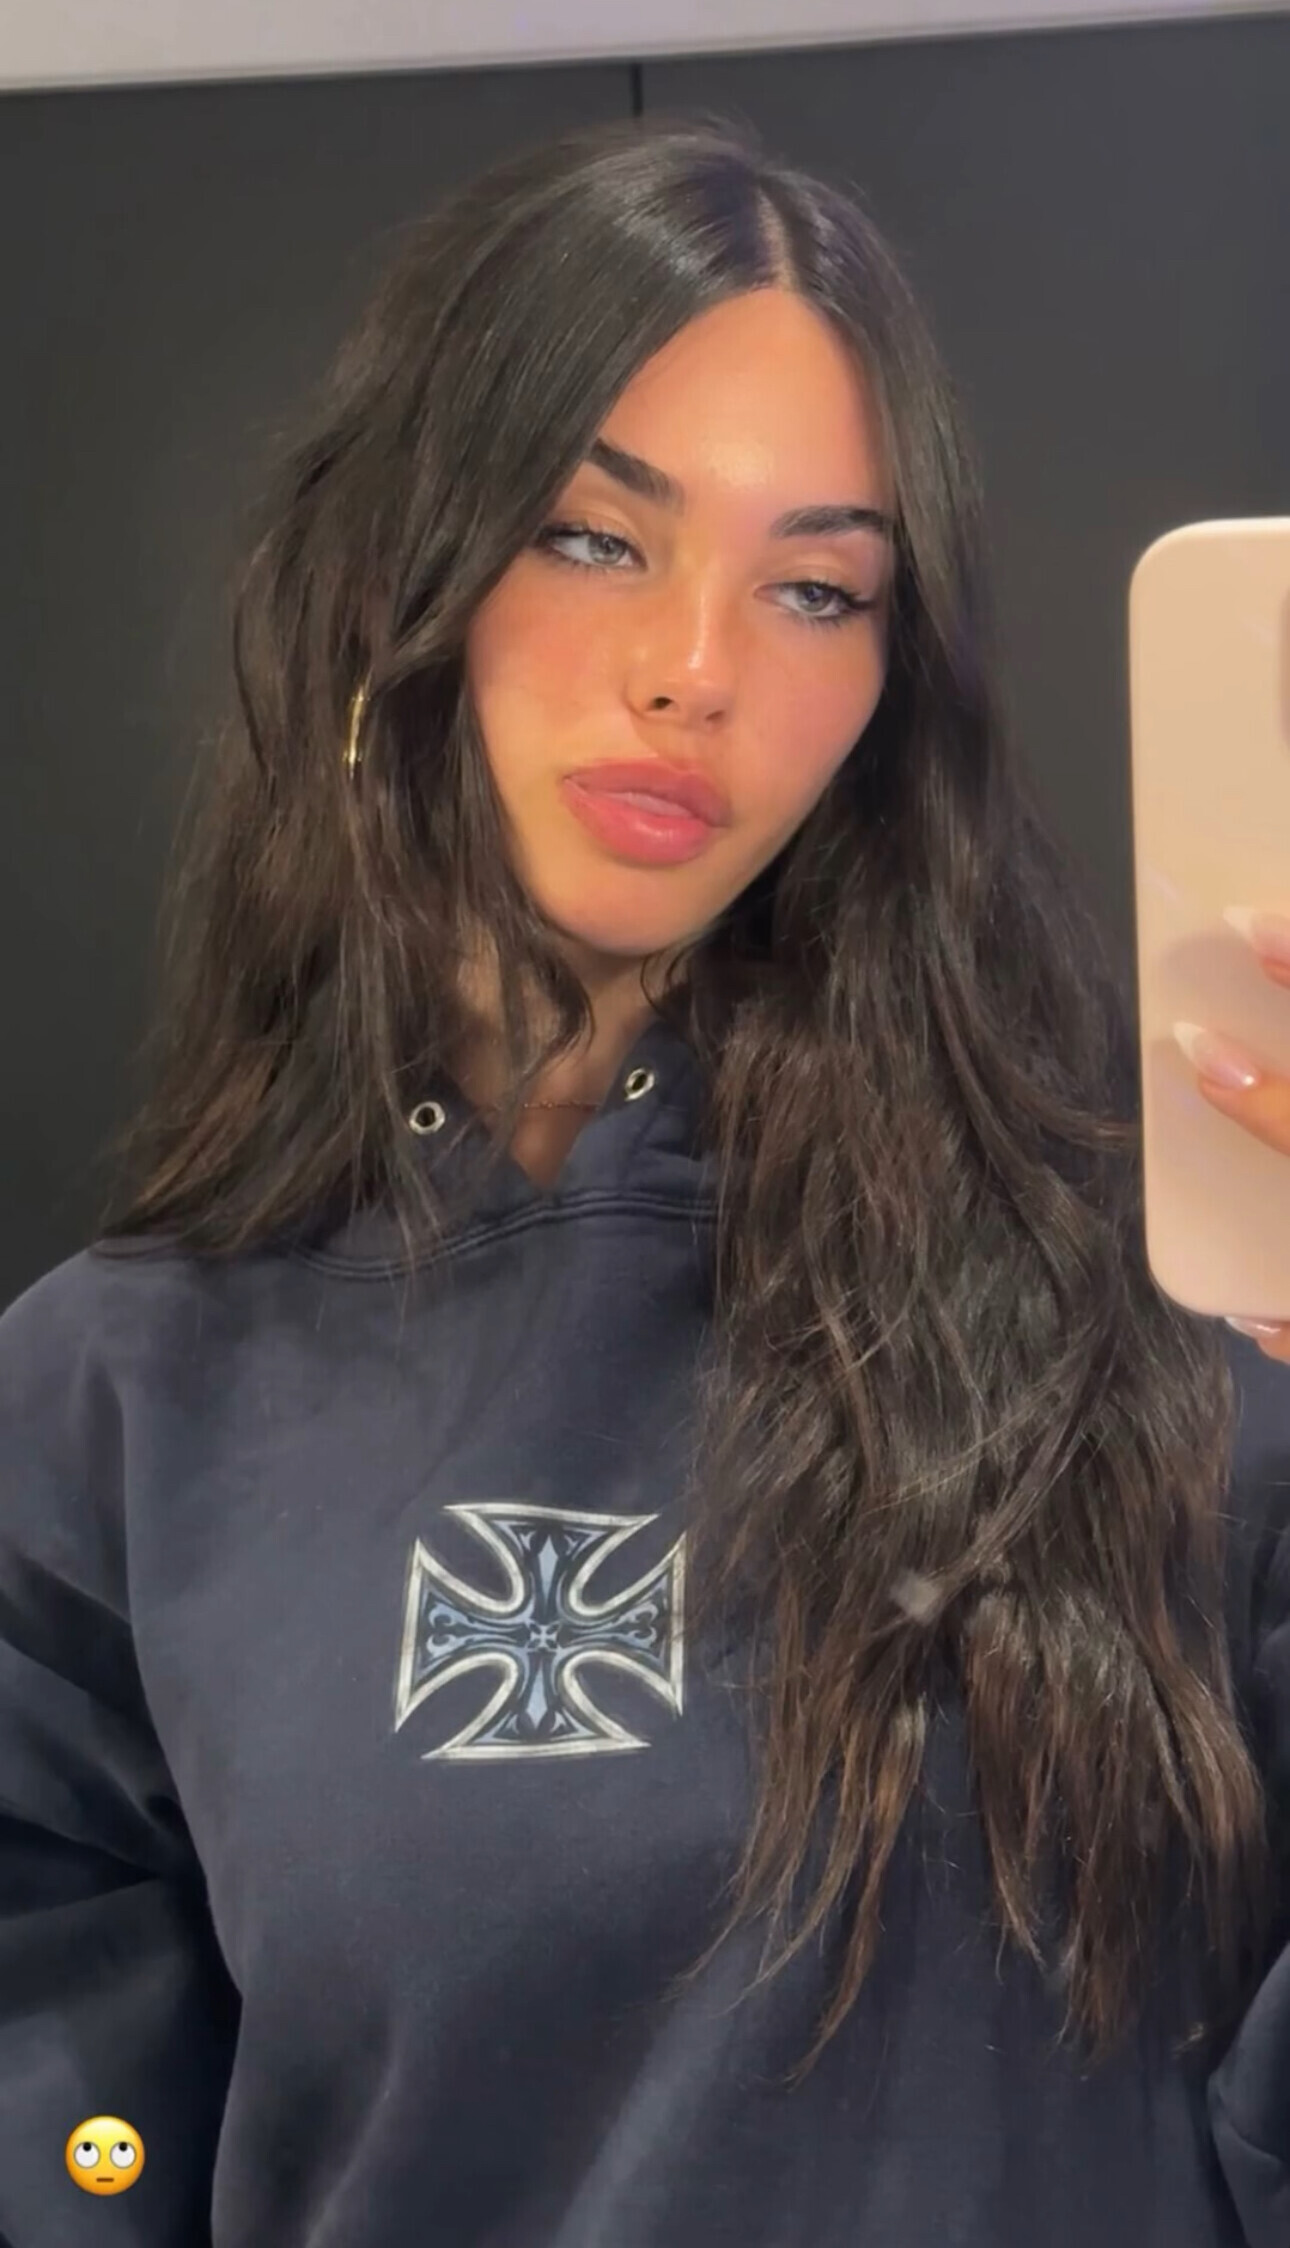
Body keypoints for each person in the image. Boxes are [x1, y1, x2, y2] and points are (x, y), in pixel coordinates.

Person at [0, 108, 1287, 2248]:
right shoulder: (115, 1408)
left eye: (816, 587)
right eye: (595, 538)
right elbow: (78, 2140)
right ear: (393, 566)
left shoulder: (1172, 1322)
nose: (701, 665)